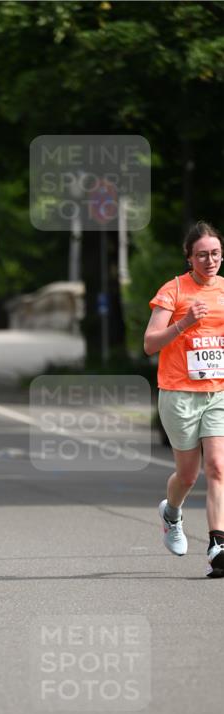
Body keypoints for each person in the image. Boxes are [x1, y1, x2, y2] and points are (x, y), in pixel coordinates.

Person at [144, 220, 224, 578]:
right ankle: (171, 513)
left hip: (217, 392)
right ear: (189, 257)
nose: (210, 261)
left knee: (218, 468)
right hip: (179, 393)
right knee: (188, 476)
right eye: (203, 255)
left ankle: (218, 544)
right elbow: (150, 343)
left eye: (216, 254)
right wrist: (184, 323)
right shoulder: (173, 291)